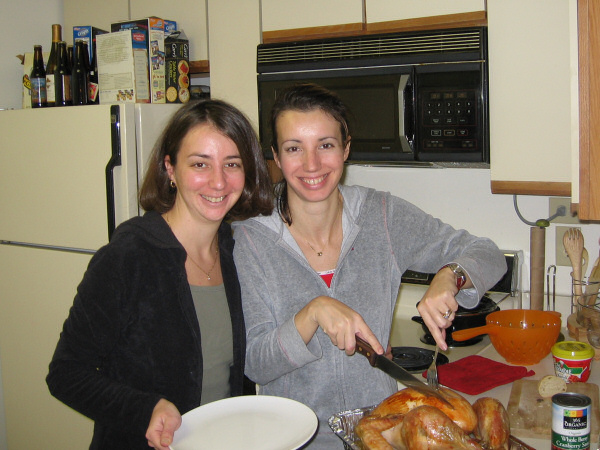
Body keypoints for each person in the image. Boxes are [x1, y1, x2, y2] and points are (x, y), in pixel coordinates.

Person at [231, 83, 507, 448]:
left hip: (378, 433)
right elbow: (255, 362)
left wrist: (449, 276)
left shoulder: (382, 215)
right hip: (293, 441)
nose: (311, 164)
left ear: (346, 148)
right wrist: (313, 313)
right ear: (276, 157)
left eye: (325, 145)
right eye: (294, 148)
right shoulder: (250, 241)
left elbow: (488, 253)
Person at [46, 99, 273, 450]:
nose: (218, 181)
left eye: (232, 164)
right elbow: (64, 374)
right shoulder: (128, 259)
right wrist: (143, 408)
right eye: (200, 163)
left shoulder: (237, 251)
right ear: (170, 168)